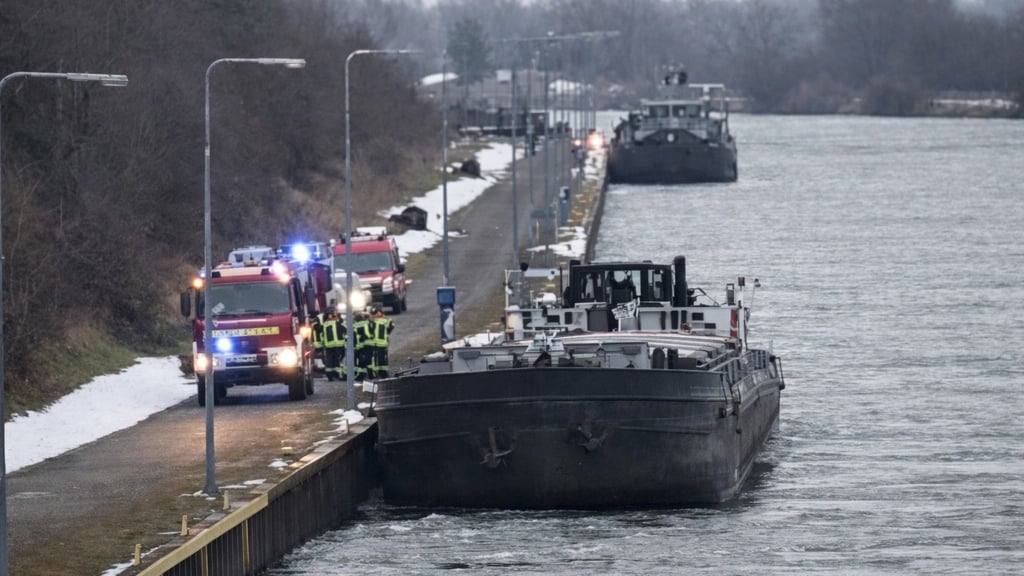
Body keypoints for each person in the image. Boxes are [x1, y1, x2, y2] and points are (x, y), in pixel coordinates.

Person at [369, 306, 396, 378]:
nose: (373, 315)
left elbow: (392, 325)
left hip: (377, 343)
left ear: (379, 313)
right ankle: (381, 373)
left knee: (378, 359)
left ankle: (379, 373)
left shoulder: (374, 321)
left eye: (374, 313)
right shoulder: (385, 320)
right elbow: (392, 325)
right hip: (379, 343)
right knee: (381, 359)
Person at [322, 309, 345, 382]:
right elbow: (344, 330)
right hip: (338, 344)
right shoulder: (337, 323)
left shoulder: (324, 324)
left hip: (329, 345)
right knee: (337, 360)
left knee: (330, 361)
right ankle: (338, 375)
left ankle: (330, 376)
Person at [352, 311, 372, 382]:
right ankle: (366, 374)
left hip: (358, 346)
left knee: (360, 361)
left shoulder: (354, 325)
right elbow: (367, 334)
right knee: (365, 361)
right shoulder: (366, 323)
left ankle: (360, 375)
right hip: (367, 345)